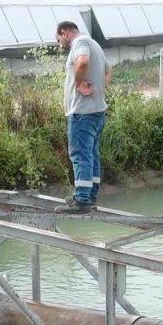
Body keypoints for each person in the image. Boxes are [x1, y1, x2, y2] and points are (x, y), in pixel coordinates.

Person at [54, 21, 112, 214]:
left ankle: (82, 201)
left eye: (59, 39)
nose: (59, 43)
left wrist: (79, 83)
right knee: (92, 155)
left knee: (80, 155)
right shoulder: (95, 44)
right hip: (96, 111)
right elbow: (108, 70)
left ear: (64, 33)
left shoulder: (79, 43)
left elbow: (83, 61)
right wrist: (99, 90)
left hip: (82, 112)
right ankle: (90, 195)